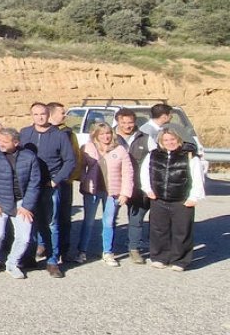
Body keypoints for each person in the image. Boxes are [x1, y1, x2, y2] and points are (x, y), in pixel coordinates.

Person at [19, 102, 77, 278]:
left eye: (42, 114)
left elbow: (70, 161)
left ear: (48, 115)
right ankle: (29, 257)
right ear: (32, 116)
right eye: (36, 114)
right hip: (29, 186)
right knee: (29, 222)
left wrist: (56, 180)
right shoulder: (24, 133)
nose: (39, 117)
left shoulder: (59, 135)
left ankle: (52, 261)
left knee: (51, 223)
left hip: (49, 186)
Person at [141, 127, 206, 271]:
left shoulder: (190, 156)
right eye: (166, 140)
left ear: (178, 140)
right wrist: (148, 190)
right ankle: (159, 257)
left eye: (172, 139)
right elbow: (145, 172)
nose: (169, 142)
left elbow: (197, 178)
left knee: (182, 231)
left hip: (181, 200)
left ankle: (180, 260)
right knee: (158, 229)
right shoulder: (153, 155)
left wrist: (194, 197)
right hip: (159, 199)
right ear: (161, 141)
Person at [0, 128, 41, 279]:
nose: (1, 143)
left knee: (24, 237)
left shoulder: (29, 157)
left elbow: (35, 183)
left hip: (21, 203)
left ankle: (12, 263)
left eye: (5, 142)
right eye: (0, 140)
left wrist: (27, 205)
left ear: (16, 142)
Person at [75, 122, 134, 266]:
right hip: (92, 191)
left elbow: (128, 172)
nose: (106, 136)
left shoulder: (120, 150)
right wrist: (84, 180)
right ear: (95, 135)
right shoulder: (88, 148)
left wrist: (125, 193)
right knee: (88, 221)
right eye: (102, 134)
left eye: (108, 133)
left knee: (108, 222)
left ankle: (108, 252)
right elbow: (81, 166)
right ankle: (82, 251)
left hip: (112, 191)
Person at [114, 108, 151, 264]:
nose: (127, 125)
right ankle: (107, 249)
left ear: (135, 122)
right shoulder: (110, 136)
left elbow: (154, 159)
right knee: (110, 218)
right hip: (115, 184)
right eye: (123, 122)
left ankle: (134, 248)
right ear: (118, 122)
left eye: (130, 122)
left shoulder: (146, 138)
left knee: (136, 218)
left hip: (138, 184)